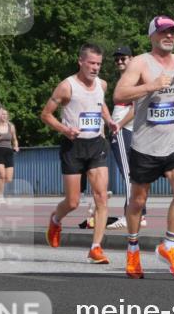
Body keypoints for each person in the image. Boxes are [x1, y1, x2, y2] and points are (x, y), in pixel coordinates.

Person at [114, 16, 174, 278]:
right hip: (145, 145)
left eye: (173, 32)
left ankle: (169, 247)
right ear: (152, 36)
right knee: (138, 200)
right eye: (164, 32)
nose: (169, 36)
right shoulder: (140, 63)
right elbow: (119, 95)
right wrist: (150, 86)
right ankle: (133, 248)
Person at [41, 43, 117, 264]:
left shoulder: (102, 84)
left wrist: (109, 120)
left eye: (99, 64)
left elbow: (100, 104)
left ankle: (96, 247)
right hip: (73, 146)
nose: (95, 68)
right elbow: (46, 115)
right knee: (73, 202)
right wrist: (65, 129)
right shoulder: (67, 86)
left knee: (101, 196)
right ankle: (55, 220)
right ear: (81, 62)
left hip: (96, 145)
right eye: (91, 63)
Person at [107, 46, 144, 230]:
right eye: (117, 59)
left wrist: (118, 126)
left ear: (132, 58)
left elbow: (136, 108)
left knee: (128, 174)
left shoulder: (133, 80)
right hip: (128, 130)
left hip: (124, 130)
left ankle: (131, 215)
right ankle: (139, 214)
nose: (120, 62)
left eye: (124, 58)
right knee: (134, 174)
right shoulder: (129, 79)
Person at [0, 108, 19, 205]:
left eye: (6, 114)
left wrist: (16, 146)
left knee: (9, 178)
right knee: (2, 176)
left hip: (9, 152)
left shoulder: (11, 126)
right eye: (2, 114)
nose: (4, 116)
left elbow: (14, 139)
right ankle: (0, 196)